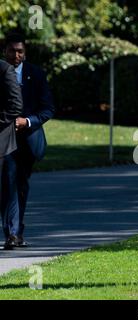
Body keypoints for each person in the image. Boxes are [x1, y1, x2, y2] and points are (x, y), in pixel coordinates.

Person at [1, 33, 54, 250]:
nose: (16, 55)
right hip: (5, 138)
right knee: (9, 181)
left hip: (29, 139)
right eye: (12, 50)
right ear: (5, 51)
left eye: (20, 51)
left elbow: (48, 109)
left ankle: (17, 230)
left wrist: (28, 121)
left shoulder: (36, 74)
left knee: (21, 184)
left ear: (25, 52)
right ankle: (11, 233)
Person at [0, 59, 23, 241]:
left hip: (3, 142)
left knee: (8, 188)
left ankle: (12, 233)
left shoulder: (4, 69)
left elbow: (15, 104)